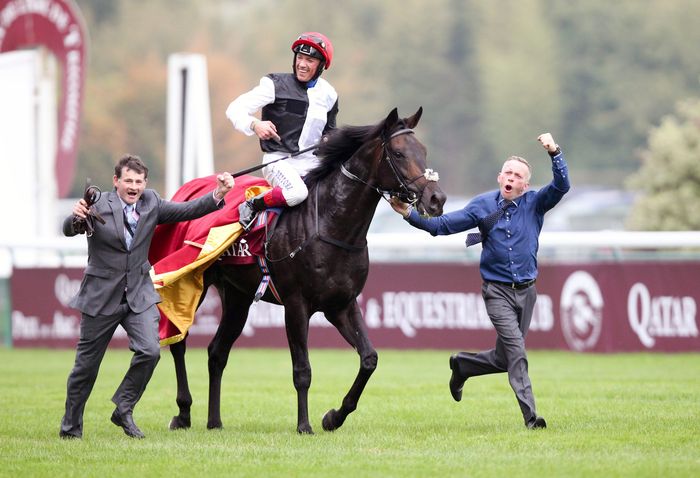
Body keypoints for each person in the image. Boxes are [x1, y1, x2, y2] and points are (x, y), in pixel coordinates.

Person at [390, 133, 570, 429]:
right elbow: (442, 226)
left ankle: (462, 366)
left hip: (527, 292)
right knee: (517, 352)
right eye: (508, 173)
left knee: (504, 358)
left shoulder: (536, 203)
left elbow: (562, 185)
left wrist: (554, 152)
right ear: (500, 177)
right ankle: (530, 417)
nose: (512, 178)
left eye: (518, 176)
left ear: (525, 185)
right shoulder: (482, 205)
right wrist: (410, 214)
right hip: (496, 292)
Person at [59, 154, 234, 439]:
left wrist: (218, 194)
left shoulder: (151, 201)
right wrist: (76, 216)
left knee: (150, 351)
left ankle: (123, 408)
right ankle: (70, 429)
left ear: (145, 183)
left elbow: (188, 210)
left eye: (138, 181)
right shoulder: (97, 203)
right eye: (128, 180)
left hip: (139, 295)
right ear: (116, 181)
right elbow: (70, 229)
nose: (134, 186)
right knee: (86, 367)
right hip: (101, 296)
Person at [225, 31, 338, 230]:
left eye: (310, 60)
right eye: (300, 58)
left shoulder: (329, 94)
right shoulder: (274, 84)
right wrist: (255, 124)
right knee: (297, 193)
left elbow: (330, 131)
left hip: (312, 163)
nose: (302, 64)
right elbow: (234, 109)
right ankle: (253, 204)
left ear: (321, 66)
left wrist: (329, 140)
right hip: (278, 161)